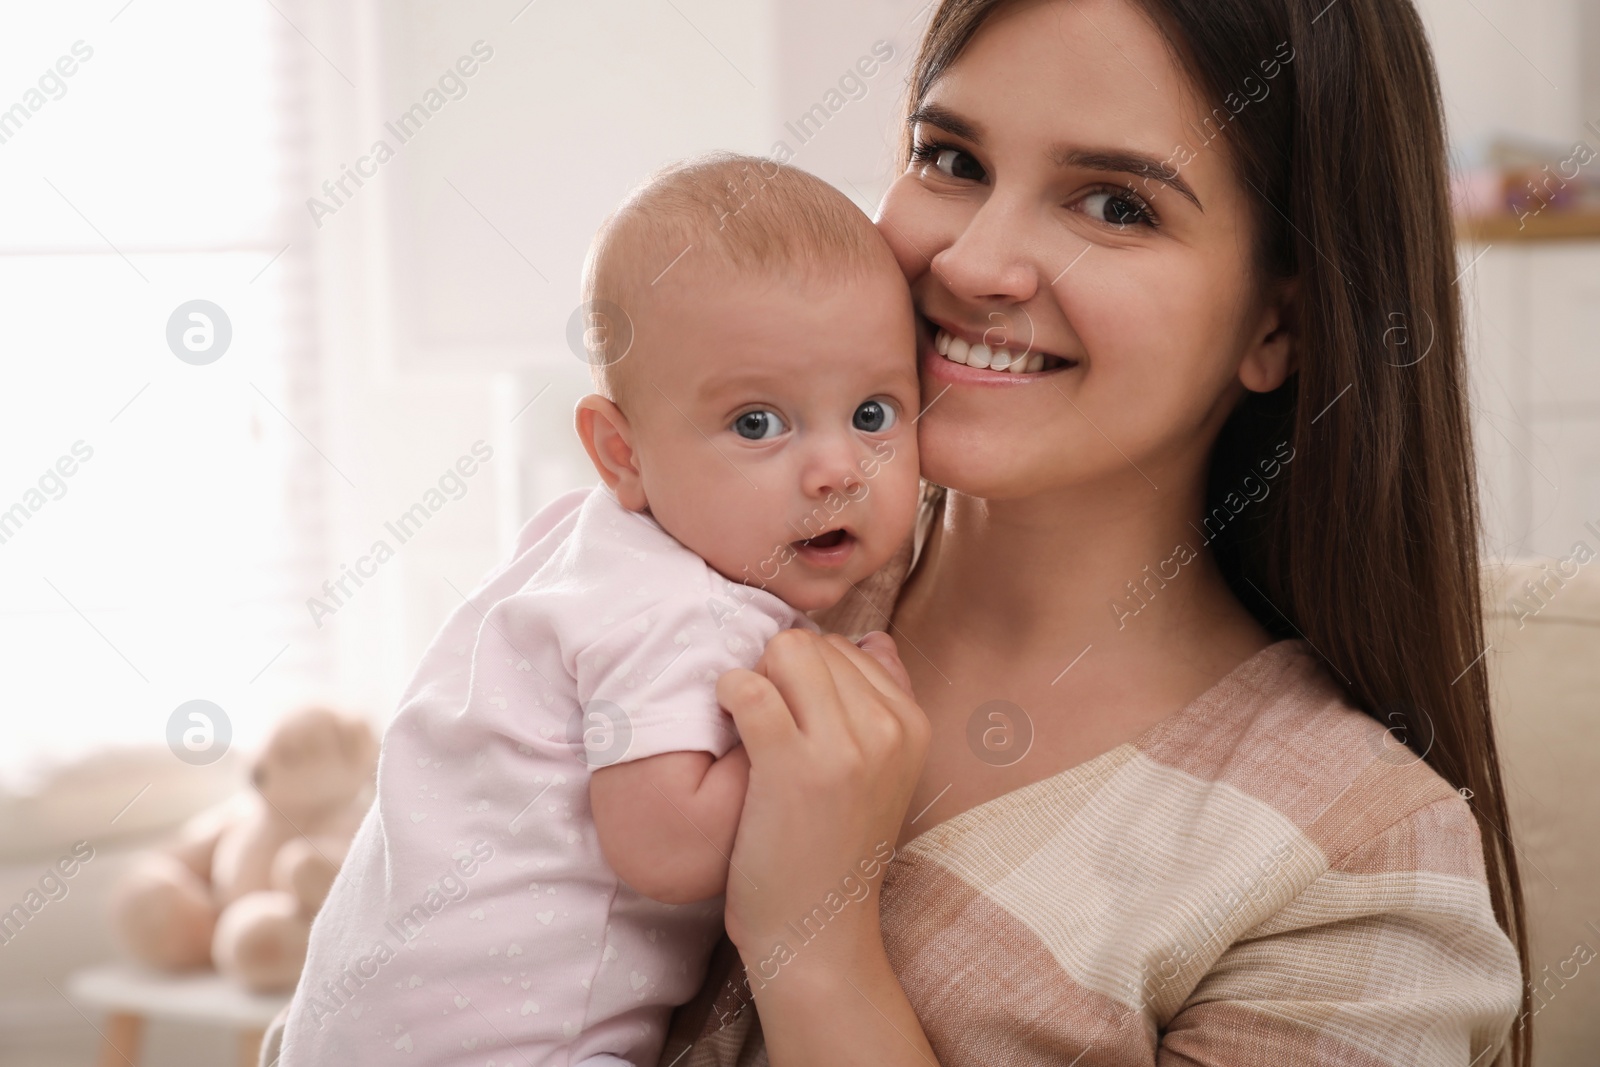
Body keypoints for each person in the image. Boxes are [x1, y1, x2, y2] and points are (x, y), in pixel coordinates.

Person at [657, 0, 1533, 1064]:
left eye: (1115, 205)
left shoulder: (1359, 867)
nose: (975, 262)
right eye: (951, 158)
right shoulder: (699, 569)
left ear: (1279, 323)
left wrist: (818, 946)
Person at [275, 153, 924, 1067]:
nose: (836, 469)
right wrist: (832, 726)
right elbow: (664, 845)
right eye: (756, 424)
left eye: (872, 413)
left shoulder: (588, 547)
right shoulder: (682, 608)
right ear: (621, 453)